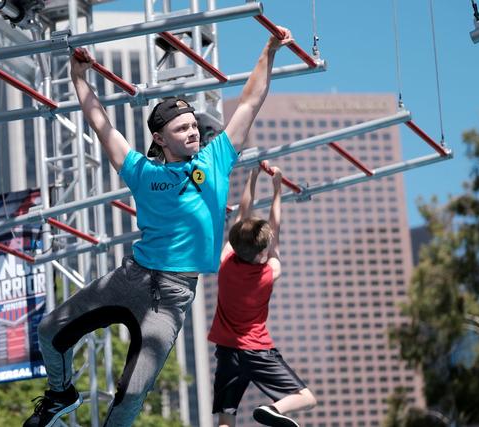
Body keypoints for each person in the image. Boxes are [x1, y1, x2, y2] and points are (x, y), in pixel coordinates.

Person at [23, 26, 294, 427]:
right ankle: (61, 394)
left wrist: (268, 50)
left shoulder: (215, 160)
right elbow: (102, 125)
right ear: (160, 138)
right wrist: (78, 77)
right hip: (131, 277)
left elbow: (251, 101)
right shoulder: (142, 171)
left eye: (194, 126)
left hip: (172, 296)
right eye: (182, 128)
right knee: (50, 330)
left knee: (132, 393)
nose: (193, 132)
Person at [208, 162, 316, 427]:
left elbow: (242, 213)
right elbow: (274, 228)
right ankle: (272, 409)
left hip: (227, 350)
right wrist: (277, 188)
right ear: (261, 253)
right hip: (256, 349)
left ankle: (271, 410)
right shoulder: (270, 272)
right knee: (306, 397)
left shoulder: (225, 262)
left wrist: (252, 176)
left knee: (226, 417)